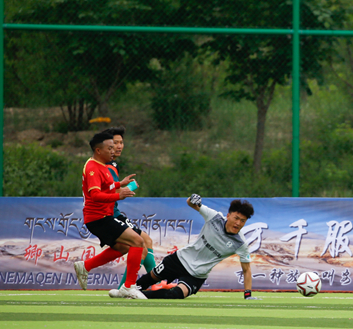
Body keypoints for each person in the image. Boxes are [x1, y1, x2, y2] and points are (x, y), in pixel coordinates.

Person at [134, 195, 259, 300]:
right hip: (180, 259)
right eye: (236, 218)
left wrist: (248, 294)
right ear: (228, 215)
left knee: (176, 294)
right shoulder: (214, 217)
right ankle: (128, 290)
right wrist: (192, 198)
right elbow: (191, 203)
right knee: (148, 280)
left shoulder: (240, 243)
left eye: (242, 221)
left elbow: (246, 269)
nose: (238, 223)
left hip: (196, 275)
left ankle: (140, 296)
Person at [74, 131, 147, 299]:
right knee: (138, 241)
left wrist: (119, 184)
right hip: (98, 218)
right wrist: (118, 196)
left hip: (103, 216)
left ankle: (86, 266)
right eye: (110, 148)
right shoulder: (93, 168)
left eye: (114, 147)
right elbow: (95, 195)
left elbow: (106, 186)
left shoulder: (103, 165)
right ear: (98, 150)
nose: (113, 151)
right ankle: (128, 287)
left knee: (124, 247)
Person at [100, 126, 157, 295]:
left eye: (121, 142)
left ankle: (125, 288)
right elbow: (109, 191)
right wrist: (130, 187)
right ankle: (132, 287)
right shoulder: (108, 166)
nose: (119, 146)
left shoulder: (107, 164)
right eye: (115, 143)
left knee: (143, 242)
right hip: (109, 215)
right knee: (142, 243)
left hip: (110, 213)